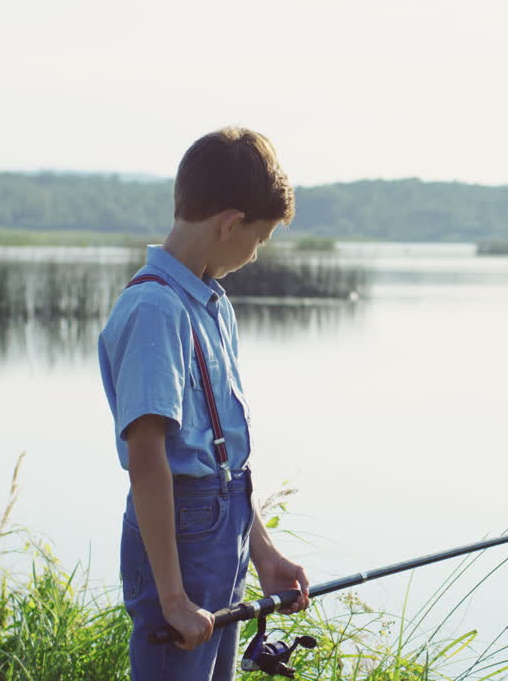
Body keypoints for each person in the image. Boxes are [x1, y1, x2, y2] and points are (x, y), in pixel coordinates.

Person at [98, 127, 310, 680]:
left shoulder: (212, 305)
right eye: (259, 239)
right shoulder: (155, 310)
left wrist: (263, 554)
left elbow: (224, 462)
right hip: (180, 545)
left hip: (225, 533)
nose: (256, 253)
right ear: (231, 223)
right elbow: (148, 459)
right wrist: (171, 598)